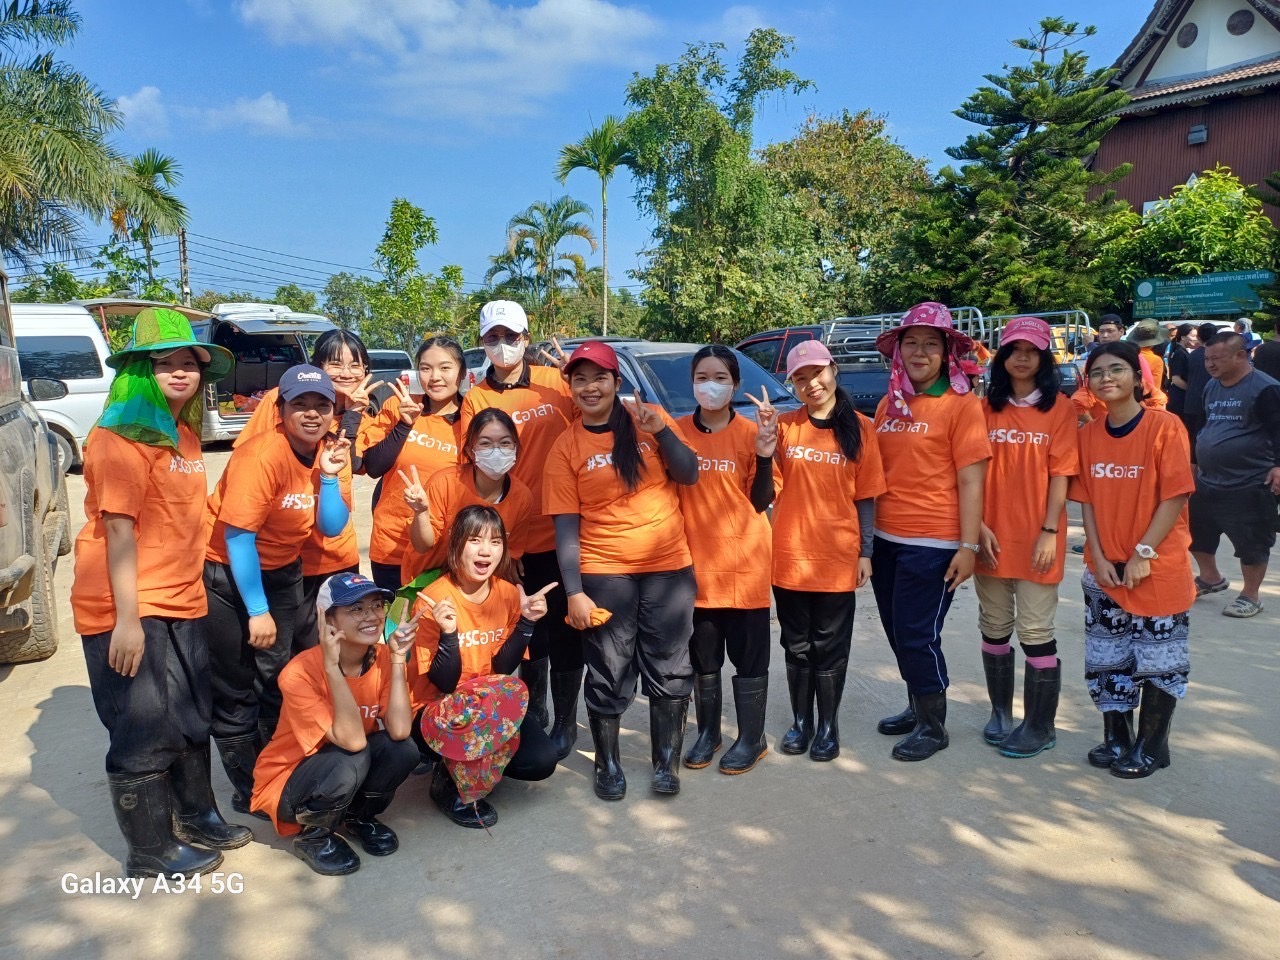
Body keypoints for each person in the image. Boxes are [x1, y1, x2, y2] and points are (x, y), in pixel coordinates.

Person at [71, 308, 248, 879]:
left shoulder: (187, 435)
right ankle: (149, 848)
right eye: (165, 363)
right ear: (140, 372)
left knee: (192, 714)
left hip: (182, 597)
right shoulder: (117, 437)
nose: (180, 374)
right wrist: (126, 621)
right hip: (128, 603)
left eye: (189, 364)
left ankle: (196, 814)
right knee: (143, 723)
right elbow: (119, 530)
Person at [544, 340, 701, 800]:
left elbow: (689, 474)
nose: (590, 387)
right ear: (569, 386)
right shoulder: (566, 446)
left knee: (670, 666)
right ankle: (609, 764)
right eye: (580, 379)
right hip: (603, 571)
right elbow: (565, 528)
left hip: (668, 566)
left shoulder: (649, 419)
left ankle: (665, 764)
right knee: (609, 668)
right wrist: (574, 591)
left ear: (616, 382)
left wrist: (664, 434)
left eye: (600, 378)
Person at [203, 365, 352, 817]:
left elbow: (330, 526)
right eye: (300, 405)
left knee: (278, 677)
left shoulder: (322, 453)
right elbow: (238, 538)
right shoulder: (260, 455)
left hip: (285, 571)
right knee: (237, 685)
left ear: (332, 412)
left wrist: (327, 477)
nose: (311, 414)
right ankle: (248, 789)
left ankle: (275, 771)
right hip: (231, 576)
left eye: (321, 406)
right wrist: (257, 610)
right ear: (281, 408)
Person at [871, 302, 990, 761]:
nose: (920, 351)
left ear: (946, 353)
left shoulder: (961, 405)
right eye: (912, 342)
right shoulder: (889, 402)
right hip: (886, 537)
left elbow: (971, 479)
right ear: (898, 350)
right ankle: (916, 703)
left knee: (919, 634)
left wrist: (968, 544)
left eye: (931, 344)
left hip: (934, 541)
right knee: (897, 631)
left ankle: (933, 725)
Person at [1071, 341, 1195, 779]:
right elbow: (1085, 499)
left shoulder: (1165, 426)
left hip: (1156, 567)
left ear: (1139, 377)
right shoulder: (1087, 435)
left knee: (1159, 661)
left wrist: (1143, 552)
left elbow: (1175, 494)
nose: (1107, 378)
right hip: (1105, 569)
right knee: (1108, 657)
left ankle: (1151, 745)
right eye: (1098, 371)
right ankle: (1117, 738)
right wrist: (1099, 555)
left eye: (1117, 369)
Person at [460, 301, 577, 751]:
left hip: (558, 529)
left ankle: (565, 720)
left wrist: (574, 378)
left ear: (527, 338)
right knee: (526, 628)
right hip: (506, 535)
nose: (503, 346)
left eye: (511, 337)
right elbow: (475, 458)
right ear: (484, 344)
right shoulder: (477, 397)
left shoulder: (556, 384)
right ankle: (536, 707)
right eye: (493, 338)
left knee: (566, 626)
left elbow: (598, 419)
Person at [251, 573, 422, 875]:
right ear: (327, 621)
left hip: (343, 770)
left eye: (377, 605)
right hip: (290, 784)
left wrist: (397, 658)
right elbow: (353, 741)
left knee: (403, 750)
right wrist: (331, 667)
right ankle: (314, 837)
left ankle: (359, 817)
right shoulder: (298, 673)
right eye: (356, 609)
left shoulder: (382, 657)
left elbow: (400, 730)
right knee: (352, 757)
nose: (371, 616)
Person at [406, 506, 559, 828]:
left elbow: (503, 669)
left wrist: (527, 623)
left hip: (486, 703)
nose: (486, 551)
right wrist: (449, 634)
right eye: (475, 540)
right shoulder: (434, 599)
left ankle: (477, 763)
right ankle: (447, 780)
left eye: (496, 541)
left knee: (541, 761)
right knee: (468, 730)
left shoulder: (507, 593)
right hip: (438, 706)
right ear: (456, 544)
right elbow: (444, 683)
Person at [770, 340, 885, 763]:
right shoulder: (784, 427)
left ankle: (827, 725)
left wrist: (866, 551)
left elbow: (867, 497)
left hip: (838, 554)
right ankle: (801, 721)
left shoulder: (860, 427)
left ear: (833, 370)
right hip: (789, 553)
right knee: (796, 644)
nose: (810, 383)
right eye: (800, 378)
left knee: (831, 646)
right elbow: (767, 489)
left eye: (816, 373)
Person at [235, 329, 381, 653]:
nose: (346, 372)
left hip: (337, 553)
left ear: (366, 371)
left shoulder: (363, 414)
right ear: (316, 366)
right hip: (288, 557)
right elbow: (248, 460)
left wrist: (354, 416)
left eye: (355, 364)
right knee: (293, 655)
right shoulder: (282, 399)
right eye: (334, 363)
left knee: (343, 650)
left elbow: (355, 462)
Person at [974, 317, 1078, 759]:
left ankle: (1040, 724)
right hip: (989, 535)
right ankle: (1000, 712)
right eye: (1013, 348)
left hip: (1038, 537)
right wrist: (975, 526)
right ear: (1001, 356)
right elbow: (969, 472)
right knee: (994, 626)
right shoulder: (983, 408)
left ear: (1044, 358)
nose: (1022, 356)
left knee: (1035, 630)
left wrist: (1050, 532)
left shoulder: (1061, 410)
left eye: (1032, 350)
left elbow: (1061, 476)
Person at [675, 345, 780, 774]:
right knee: (704, 659)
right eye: (702, 377)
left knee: (749, 657)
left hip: (745, 562)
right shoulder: (676, 431)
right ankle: (709, 732)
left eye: (720, 378)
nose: (711, 385)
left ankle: (752, 738)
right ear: (693, 383)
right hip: (694, 568)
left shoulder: (751, 432)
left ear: (735, 385)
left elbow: (762, 501)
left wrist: (765, 452)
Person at [360, 336, 465, 592]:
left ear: (461, 373)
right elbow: (373, 467)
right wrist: (404, 424)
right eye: (426, 368)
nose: (435, 377)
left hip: (445, 553)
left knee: (442, 630)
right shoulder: (399, 405)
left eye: (445, 368)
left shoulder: (472, 419)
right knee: (398, 629)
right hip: (392, 548)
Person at [1189, 332, 1280, 618]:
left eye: (1217, 358)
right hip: (1208, 479)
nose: (1210, 365)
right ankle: (1210, 578)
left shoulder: (1266, 388)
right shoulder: (1211, 387)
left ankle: (1250, 595)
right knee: (1195, 533)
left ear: (1241, 356)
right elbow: (1204, 426)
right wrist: (1193, 463)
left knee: (1252, 542)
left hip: (1250, 481)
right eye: (1207, 359)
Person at [400, 407, 534, 587]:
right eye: (486, 444)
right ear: (471, 451)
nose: (496, 451)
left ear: (516, 449)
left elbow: (507, 556)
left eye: (505, 443)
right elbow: (422, 546)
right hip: (428, 584)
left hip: (475, 591)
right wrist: (421, 513)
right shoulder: (444, 483)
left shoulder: (522, 497)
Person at [1182, 321, 1224, 449]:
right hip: (1211, 403)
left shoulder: (1191, 354)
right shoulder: (1219, 356)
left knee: (1190, 441)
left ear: (1199, 338)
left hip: (1191, 401)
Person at [1164, 322, 1198, 417]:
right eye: (1193, 336)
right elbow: (1176, 379)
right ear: (1183, 337)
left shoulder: (1181, 351)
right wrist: (1191, 390)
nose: (1195, 339)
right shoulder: (1179, 353)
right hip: (1179, 398)